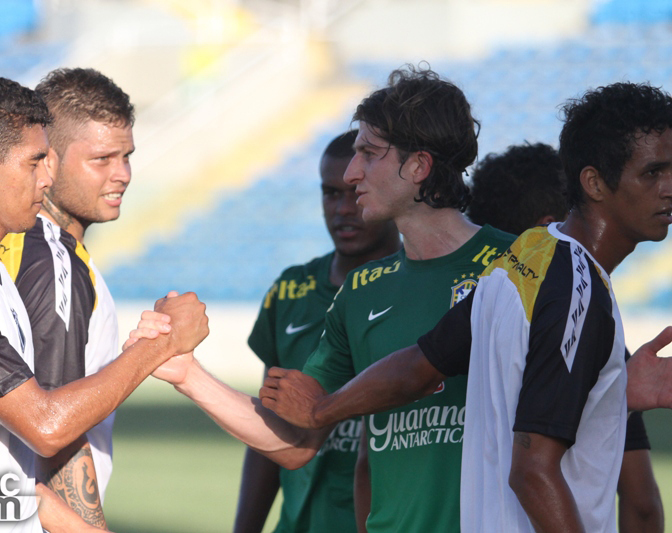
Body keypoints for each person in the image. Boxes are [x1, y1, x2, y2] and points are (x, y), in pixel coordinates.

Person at [259, 81, 672, 532]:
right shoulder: (569, 280)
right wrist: (320, 411)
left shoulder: (523, 260)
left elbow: (418, 367)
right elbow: (533, 472)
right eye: (653, 173)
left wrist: (613, 394)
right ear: (593, 182)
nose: (669, 188)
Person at [133, 65, 514, 532]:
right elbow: (296, 441)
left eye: (369, 155)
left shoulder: (518, 265)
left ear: (418, 166)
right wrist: (185, 373)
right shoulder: (362, 291)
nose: (353, 174)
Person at [0, 72, 209, 532]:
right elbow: (49, 426)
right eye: (35, 162)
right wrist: (161, 344)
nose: (47, 177)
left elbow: (13, 484)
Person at [467, 142, 664, 532]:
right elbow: (641, 503)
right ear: (545, 228)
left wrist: (326, 409)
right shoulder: (583, 317)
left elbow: (371, 466)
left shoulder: (479, 307)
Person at [234, 130, 401, 533]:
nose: (343, 208)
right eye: (330, 194)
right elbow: (268, 426)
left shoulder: (417, 288)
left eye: (353, 191)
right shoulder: (290, 290)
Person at [0, 67, 134, 527]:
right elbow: (57, 430)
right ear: (49, 161)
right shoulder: (53, 260)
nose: (123, 175)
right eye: (102, 159)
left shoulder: (20, 246)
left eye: (127, 156)